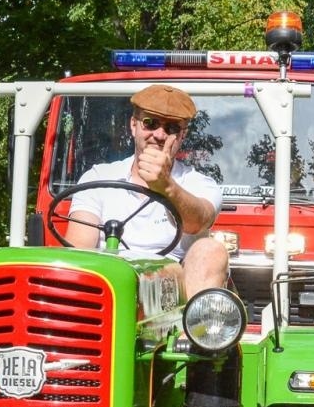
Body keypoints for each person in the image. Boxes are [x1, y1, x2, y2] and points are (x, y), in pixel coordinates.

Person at [66, 84, 228, 297]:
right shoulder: (97, 177)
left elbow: (197, 221)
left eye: (171, 128)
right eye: (150, 123)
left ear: (182, 135)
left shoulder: (199, 183)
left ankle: (189, 330)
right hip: (108, 283)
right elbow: (79, 248)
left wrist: (165, 185)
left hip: (172, 292)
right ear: (134, 125)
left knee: (212, 249)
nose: (159, 135)